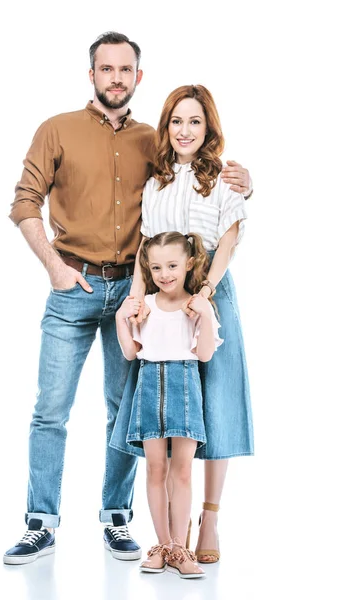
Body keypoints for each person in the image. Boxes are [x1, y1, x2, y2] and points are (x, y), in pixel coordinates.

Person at [3, 31, 252, 565]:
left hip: (140, 291)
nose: (115, 77)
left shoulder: (151, 143)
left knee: (126, 412)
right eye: (105, 68)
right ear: (91, 74)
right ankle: (40, 523)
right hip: (75, 286)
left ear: (138, 77)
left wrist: (244, 183)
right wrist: (54, 266)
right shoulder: (56, 130)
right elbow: (24, 202)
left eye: (125, 69)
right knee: (51, 409)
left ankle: (118, 519)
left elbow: (199, 191)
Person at [111, 84, 254, 564]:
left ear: (208, 127)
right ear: (166, 127)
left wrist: (205, 293)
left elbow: (229, 242)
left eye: (195, 121)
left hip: (209, 290)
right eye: (176, 121)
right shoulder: (156, 183)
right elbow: (144, 249)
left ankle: (208, 517)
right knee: (166, 403)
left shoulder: (224, 178)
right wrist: (136, 299)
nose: (185, 130)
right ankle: (170, 531)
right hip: (161, 294)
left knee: (217, 401)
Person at [116, 231, 222, 578]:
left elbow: (204, 354)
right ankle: (162, 545)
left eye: (173, 265)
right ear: (148, 268)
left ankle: (180, 547)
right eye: (157, 267)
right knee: (155, 469)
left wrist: (206, 314)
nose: (165, 274)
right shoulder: (144, 305)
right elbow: (131, 352)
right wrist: (121, 318)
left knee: (183, 471)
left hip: (185, 389)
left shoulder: (196, 307)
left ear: (189, 264)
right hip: (149, 389)